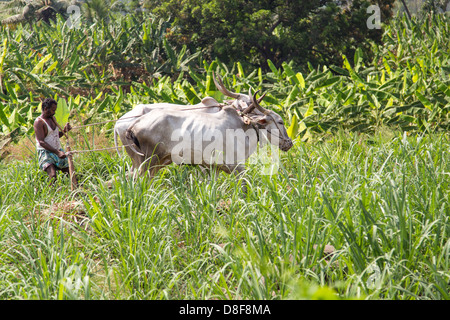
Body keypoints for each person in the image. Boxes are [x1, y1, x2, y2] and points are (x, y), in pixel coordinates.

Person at [34, 98, 75, 184]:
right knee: (52, 175)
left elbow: (55, 135)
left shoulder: (53, 118)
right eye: (53, 110)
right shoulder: (39, 122)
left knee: (70, 172)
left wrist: (64, 131)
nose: (54, 112)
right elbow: (41, 142)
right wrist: (57, 152)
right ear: (45, 109)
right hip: (45, 152)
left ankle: (77, 191)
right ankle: (51, 196)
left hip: (57, 149)